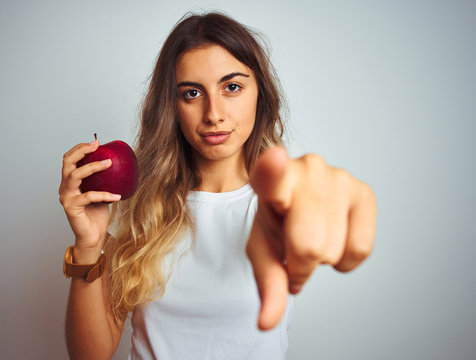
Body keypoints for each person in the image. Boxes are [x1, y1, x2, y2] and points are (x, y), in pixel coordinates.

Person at [58, 12, 377, 359]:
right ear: (173, 107)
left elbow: (319, 202)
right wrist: (88, 244)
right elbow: (89, 356)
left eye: (232, 87)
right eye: (192, 93)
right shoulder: (135, 205)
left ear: (261, 94)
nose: (214, 113)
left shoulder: (280, 201)